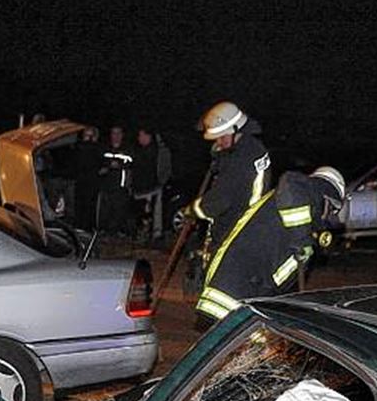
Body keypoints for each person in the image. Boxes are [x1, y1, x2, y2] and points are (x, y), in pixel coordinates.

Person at [196, 167, 345, 323]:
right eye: (332, 210)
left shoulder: (301, 216)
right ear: (328, 195)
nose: (329, 217)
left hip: (245, 293)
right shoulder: (306, 188)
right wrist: (302, 239)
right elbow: (291, 184)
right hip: (232, 292)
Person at [191, 101, 272, 251]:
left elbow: (221, 199)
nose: (219, 142)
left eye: (222, 137)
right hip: (252, 225)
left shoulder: (239, 159)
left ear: (235, 129)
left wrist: (194, 210)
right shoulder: (254, 147)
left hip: (235, 230)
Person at [130, 127, 173, 241]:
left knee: (154, 213)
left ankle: (155, 234)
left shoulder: (158, 151)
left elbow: (165, 168)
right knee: (140, 213)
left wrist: (161, 182)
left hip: (153, 187)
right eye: (139, 136)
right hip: (139, 189)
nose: (140, 138)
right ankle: (141, 233)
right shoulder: (136, 151)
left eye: (142, 135)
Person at [98, 125, 133, 235]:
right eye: (114, 133)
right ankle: (104, 231)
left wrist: (119, 165)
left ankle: (117, 232)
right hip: (106, 186)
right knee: (105, 210)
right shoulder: (105, 149)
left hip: (121, 187)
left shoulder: (127, 149)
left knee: (119, 210)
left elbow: (131, 164)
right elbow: (99, 164)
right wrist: (108, 166)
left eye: (118, 133)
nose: (116, 136)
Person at [73, 125, 102, 230]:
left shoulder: (97, 148)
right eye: (87, 135)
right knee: (80, 206)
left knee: (89, 206)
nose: (89, 138)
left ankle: (87, 227)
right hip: (80, 181)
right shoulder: (79, 147)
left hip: (91, 182)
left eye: (91, 135)